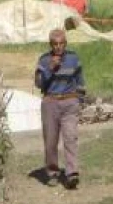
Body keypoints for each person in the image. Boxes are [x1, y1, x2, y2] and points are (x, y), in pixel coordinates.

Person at [35, 28, 85, 189]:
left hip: (70, 101)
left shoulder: (73, 58)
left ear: (65, 43)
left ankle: (72, 173)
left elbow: (80, 80)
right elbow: (38, 84)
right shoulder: (43, 60)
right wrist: (50, 69)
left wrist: (79, 99)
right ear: (51, 44)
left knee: (70, 137)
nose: (58, 47)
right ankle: (52, 172)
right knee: (50, 140)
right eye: (55, 44)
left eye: (61, 43)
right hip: (51, 102)